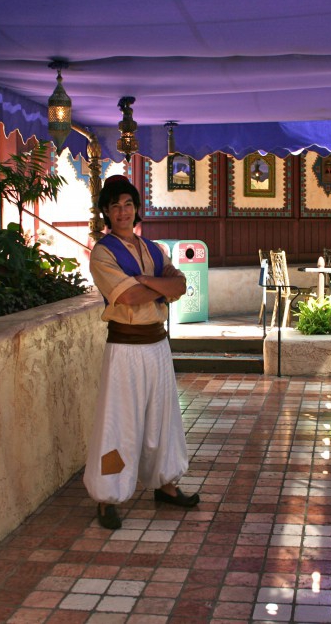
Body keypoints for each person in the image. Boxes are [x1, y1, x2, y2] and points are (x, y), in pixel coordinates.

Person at [85, 174, 200, 530]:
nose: (122, 211)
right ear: (106, 211)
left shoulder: (153, 249)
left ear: (137, 210)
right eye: (115, 205)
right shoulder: (103, 253)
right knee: (119, 422)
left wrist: (146, 281)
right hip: (125, 348)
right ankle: (108, 496)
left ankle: (166, 484)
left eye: (128, 204)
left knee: (163, 418)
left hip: (157, 345)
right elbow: (128, 297)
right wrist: (158, 286)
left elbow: (181, 285)